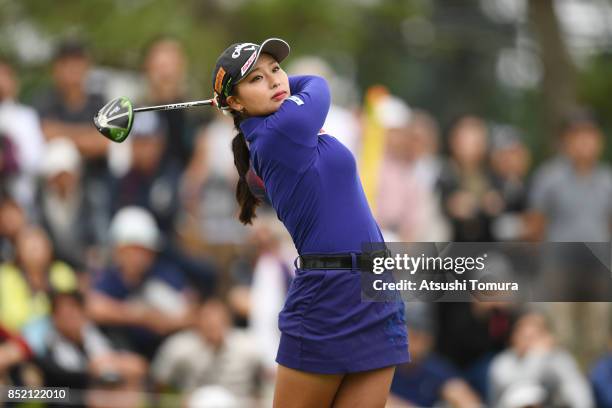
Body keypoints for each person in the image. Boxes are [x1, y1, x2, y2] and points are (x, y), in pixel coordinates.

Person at [211, 38, 408, 407]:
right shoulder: (278, 133)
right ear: (235, 102)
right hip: (328, 295)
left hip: (374, 287)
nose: (274, 81)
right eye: (256, 79)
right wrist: (243, 97)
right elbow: (318, 85)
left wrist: (244, 94)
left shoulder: (281, 133)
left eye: (275, 70)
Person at [87, 206, 195, 360]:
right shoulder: (109, 276)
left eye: (145, 250)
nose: (140, 257)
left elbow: (190, 311)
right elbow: (93, 307)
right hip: (122, 352)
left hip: (162, 350)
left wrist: (166, 322)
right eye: (133, 250)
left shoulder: (164, 273)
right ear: (118, 249)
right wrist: (140, 316)